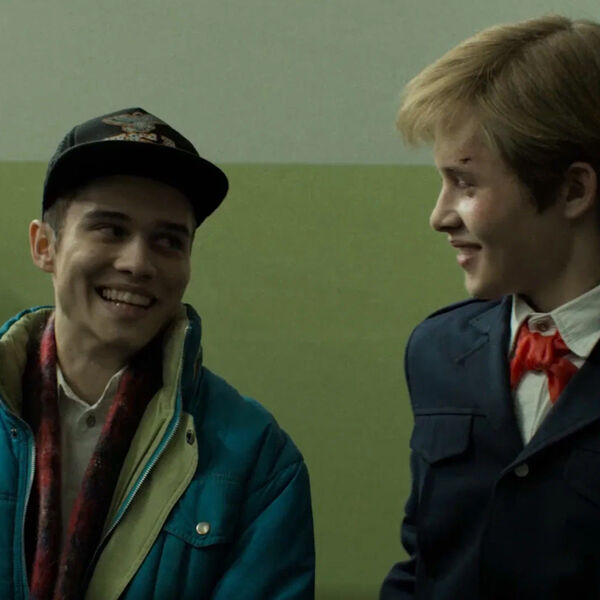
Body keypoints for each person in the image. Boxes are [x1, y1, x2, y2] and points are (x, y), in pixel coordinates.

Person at [0, 107, 314, 600]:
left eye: (168, 240)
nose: (137, 263)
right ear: (44, 246)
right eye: (110, 229)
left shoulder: (257, 461)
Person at [380, 15, 600, 600]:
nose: (439, 216)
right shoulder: (438, 350)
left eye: (466, 183)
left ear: (573, 190)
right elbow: (426, 561)